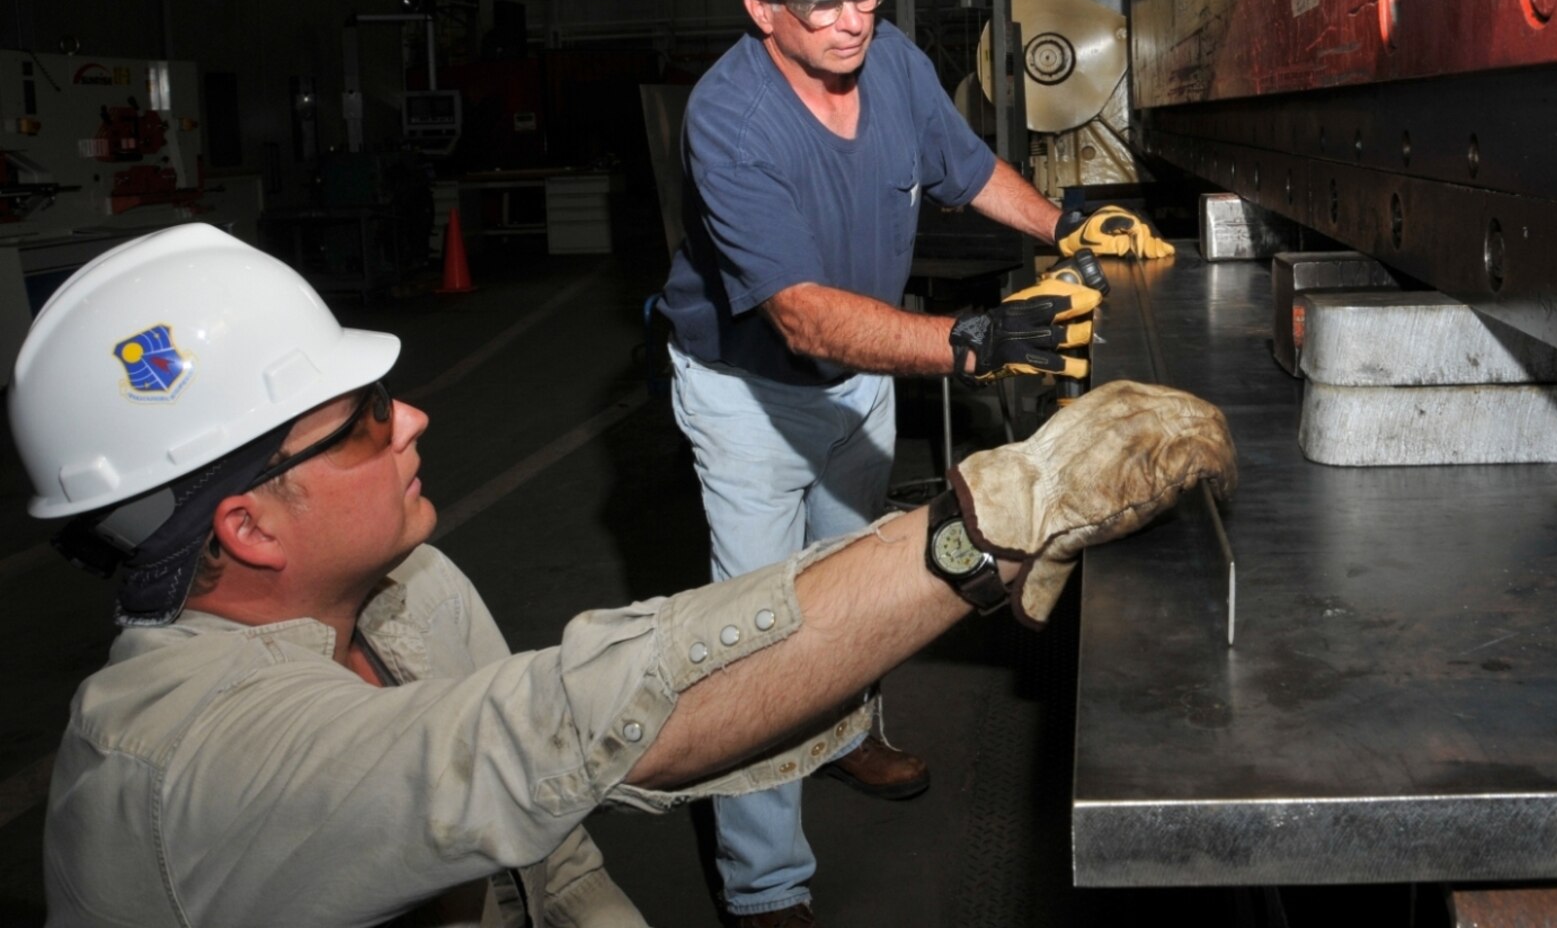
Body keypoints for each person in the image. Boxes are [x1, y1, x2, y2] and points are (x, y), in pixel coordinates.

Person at [15, 223, 1235, 927]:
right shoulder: (185, 764)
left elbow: (545, 851)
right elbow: (574, 727)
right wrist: (990, 524)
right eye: (361, 420)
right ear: (248, 526)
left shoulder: (405, 591)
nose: (414, 419)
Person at [658, 0, 1172, 925]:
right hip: (747, 392)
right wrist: (972, 340)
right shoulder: (727, 118)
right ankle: (763, 885)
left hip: (866, 375)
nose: (854, 16)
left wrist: (1065, 223)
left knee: (860, 582)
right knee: (757, 632)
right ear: (760, 6)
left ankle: (845, 735)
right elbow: (797, 313)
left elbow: (964, 165)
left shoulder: (888, 60)